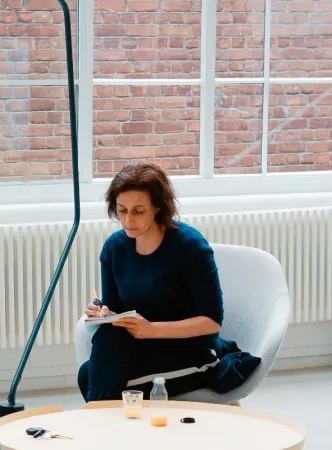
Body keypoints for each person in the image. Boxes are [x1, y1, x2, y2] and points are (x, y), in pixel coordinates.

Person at [78, 162, 233, 402]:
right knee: (91, 367)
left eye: (139, 211)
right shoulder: (114, 248)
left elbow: (212, 322)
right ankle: (108, 432)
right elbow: (116, 310)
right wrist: (104, 312)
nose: (128, 219)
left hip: (192, 352)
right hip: (144, 348)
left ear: (158, 207)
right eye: (122, 210)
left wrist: (151, 329)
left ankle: (99, 432)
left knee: (92, 379)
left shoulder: (190, 247)